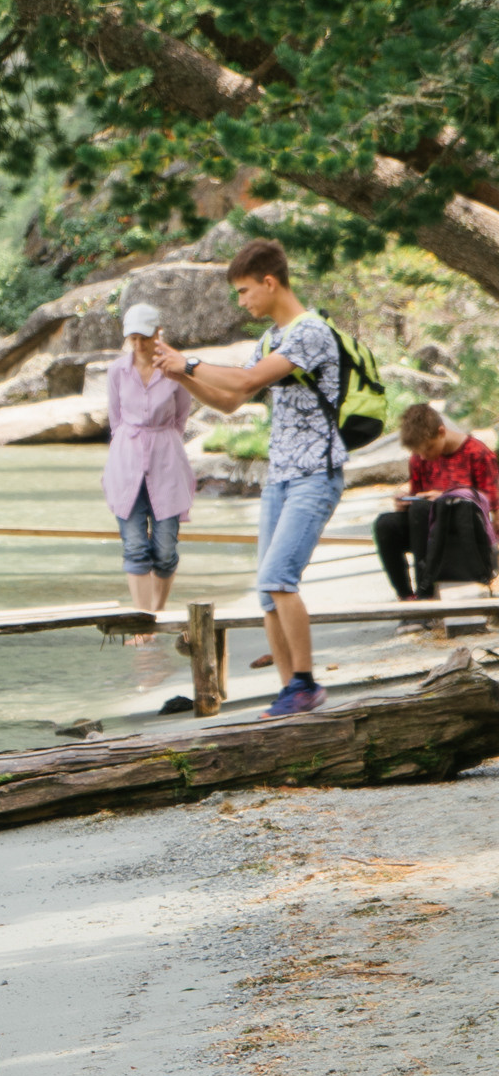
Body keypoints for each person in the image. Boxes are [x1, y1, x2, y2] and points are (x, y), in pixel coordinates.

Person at [155, 237, 345, 718]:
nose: (242, 301)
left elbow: (244, 381)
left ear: (269, 281)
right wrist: (181, 376)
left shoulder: (311, 332)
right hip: (279, 477)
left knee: (280, 577)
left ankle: (305, 683)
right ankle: (290, 692)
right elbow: (230, 400)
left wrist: (190, 361)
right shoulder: (270, 340)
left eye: (243, 291)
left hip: (314, 474)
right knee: (267, 590)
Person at [103, 301, 195, 619]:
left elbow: (181, 416)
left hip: (166, 460)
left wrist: (162, 441)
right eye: (133, 338)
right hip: (126, 460)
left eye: (145, 337)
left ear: (158, 334)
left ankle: (158, 610)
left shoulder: (174, 370)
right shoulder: (117, 370)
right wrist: (127, 447)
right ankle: (142, 621)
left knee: (165, 547)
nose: (139, 345)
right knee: (134, 546)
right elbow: (115, 419)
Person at [374, 403, 499, 599]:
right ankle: (406, 596)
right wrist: (404, 502)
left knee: (423, 509)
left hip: (466, 534)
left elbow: (491, 506)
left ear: (441, 432)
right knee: (386, 524)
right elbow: (417, 501)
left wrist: (445, 498)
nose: (425, 456)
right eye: (420, 453)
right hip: (427, 531)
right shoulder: (419, 459)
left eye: (429, 449)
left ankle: (426, 591)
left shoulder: (477, 453)